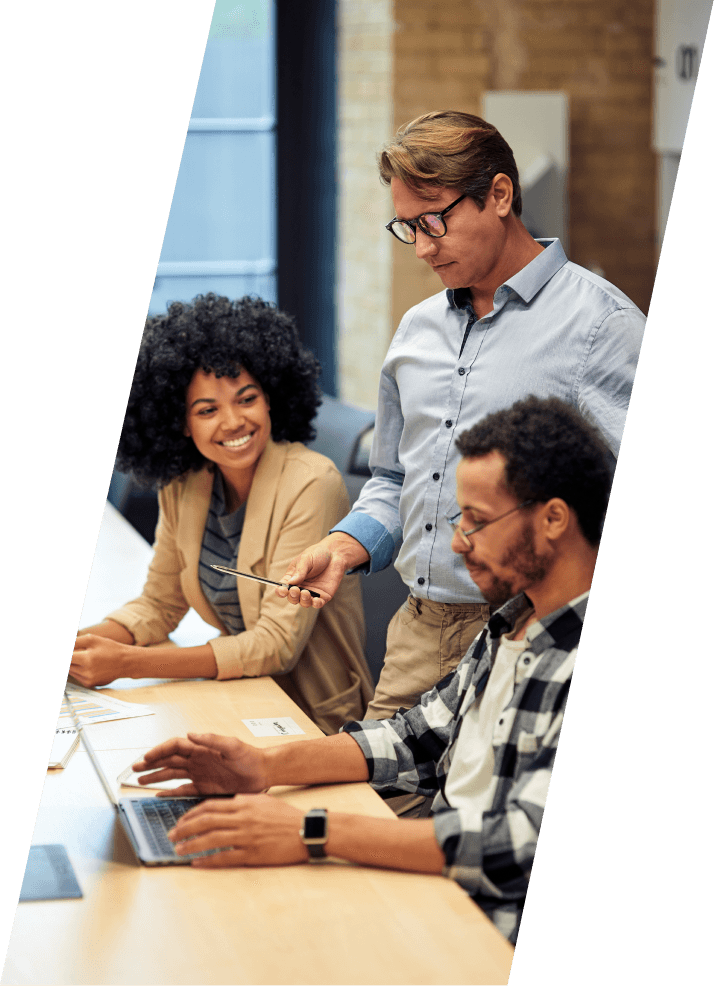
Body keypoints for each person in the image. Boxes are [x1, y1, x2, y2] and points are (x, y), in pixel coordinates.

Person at [133, 396, 611, 944]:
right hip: (440, 897)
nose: (457, 543)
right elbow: (417, 736)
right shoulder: (511, 621)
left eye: (476, 522)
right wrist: (264, 768)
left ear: (554, 518)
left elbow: (520, 846)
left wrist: (312, 831)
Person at [275, 110, 645, 719]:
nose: (422, 247)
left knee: (504, 815)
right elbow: (395, 479)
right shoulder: (415, 332)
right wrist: (344, 547)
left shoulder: (602, 326)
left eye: (434, 221)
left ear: (499, 194)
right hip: (420, 633)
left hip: (541, 638)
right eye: (406, 228)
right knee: (373, 806)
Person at [70, 294, 373, 735]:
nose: (232, 422)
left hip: (316, 720)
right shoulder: (186, 481)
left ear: (271, 398)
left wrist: (129, 664)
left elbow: (276, 644)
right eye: (207, 410)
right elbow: (159, 604)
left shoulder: (312, 483)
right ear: (180, 423)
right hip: (240, 698)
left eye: (246, 399)